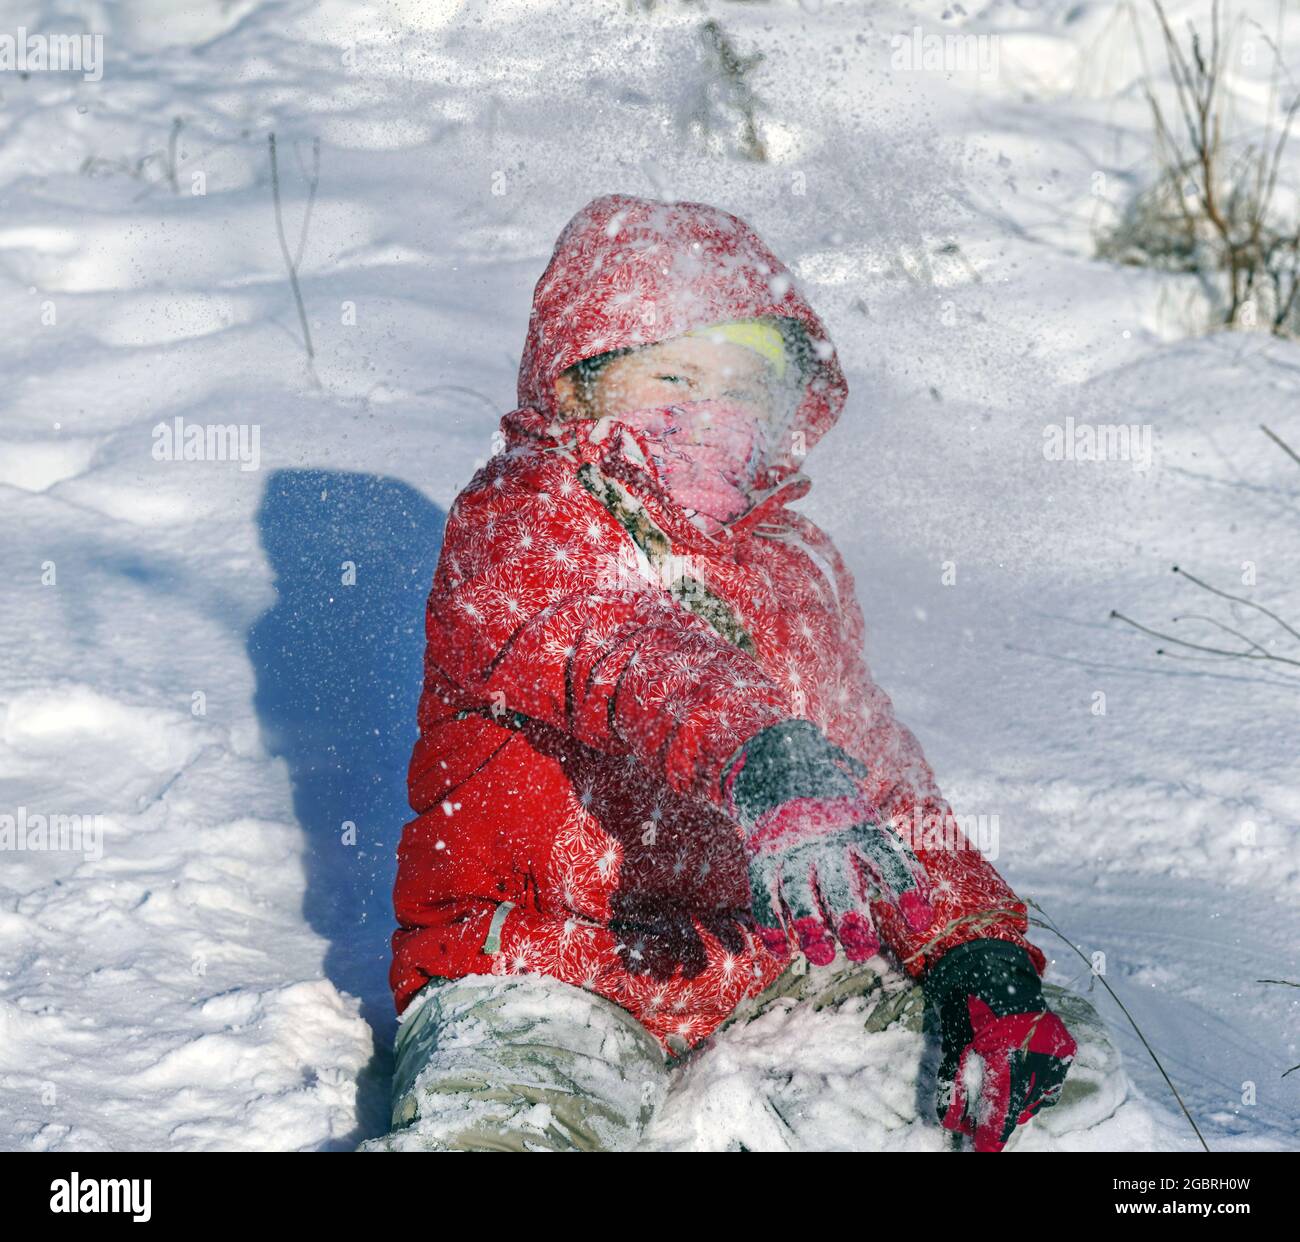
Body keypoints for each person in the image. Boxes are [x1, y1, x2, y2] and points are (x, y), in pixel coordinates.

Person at [365, 193, 1077, 1153]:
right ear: (580, 386)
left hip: (760, 964)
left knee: (1041, 1084)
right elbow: (630, 653)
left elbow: (871, 764)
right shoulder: (521, 518)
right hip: (542, 958)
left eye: (742, 390)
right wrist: (767, 755)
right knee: (507, 1133)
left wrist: (969, 945)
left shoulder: (788, 565)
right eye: (670, 377)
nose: (708, 416)